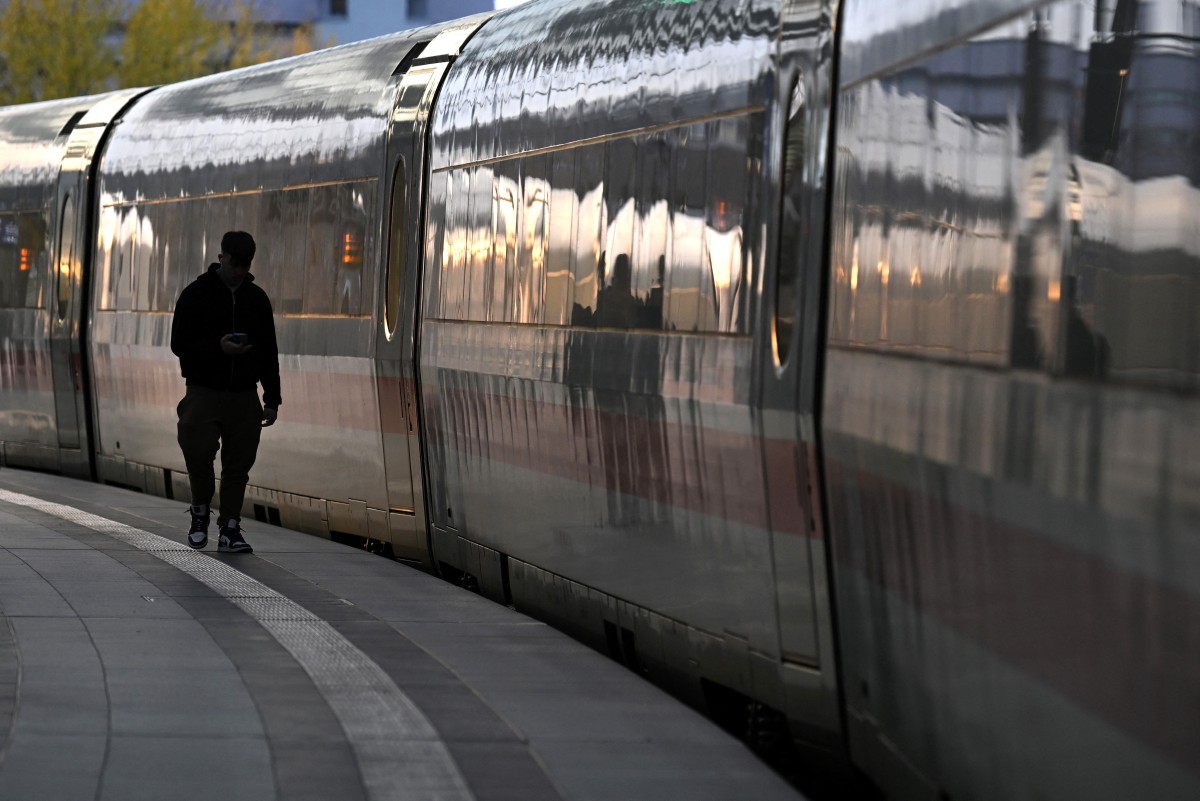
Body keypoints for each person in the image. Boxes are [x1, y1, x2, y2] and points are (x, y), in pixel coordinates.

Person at [170, 231, 281, 553]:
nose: (239, 271)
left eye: (245, 266)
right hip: (203, 390)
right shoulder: (196, 294)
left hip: (245, 393)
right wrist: (217, 350)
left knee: (238, 464)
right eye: (234, 264)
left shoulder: (256, 299)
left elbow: (268, 352)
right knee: (198, 453)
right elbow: (179, 344)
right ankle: (200, 510)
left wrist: (272, 399)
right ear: (222, 257)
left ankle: (230, 527)